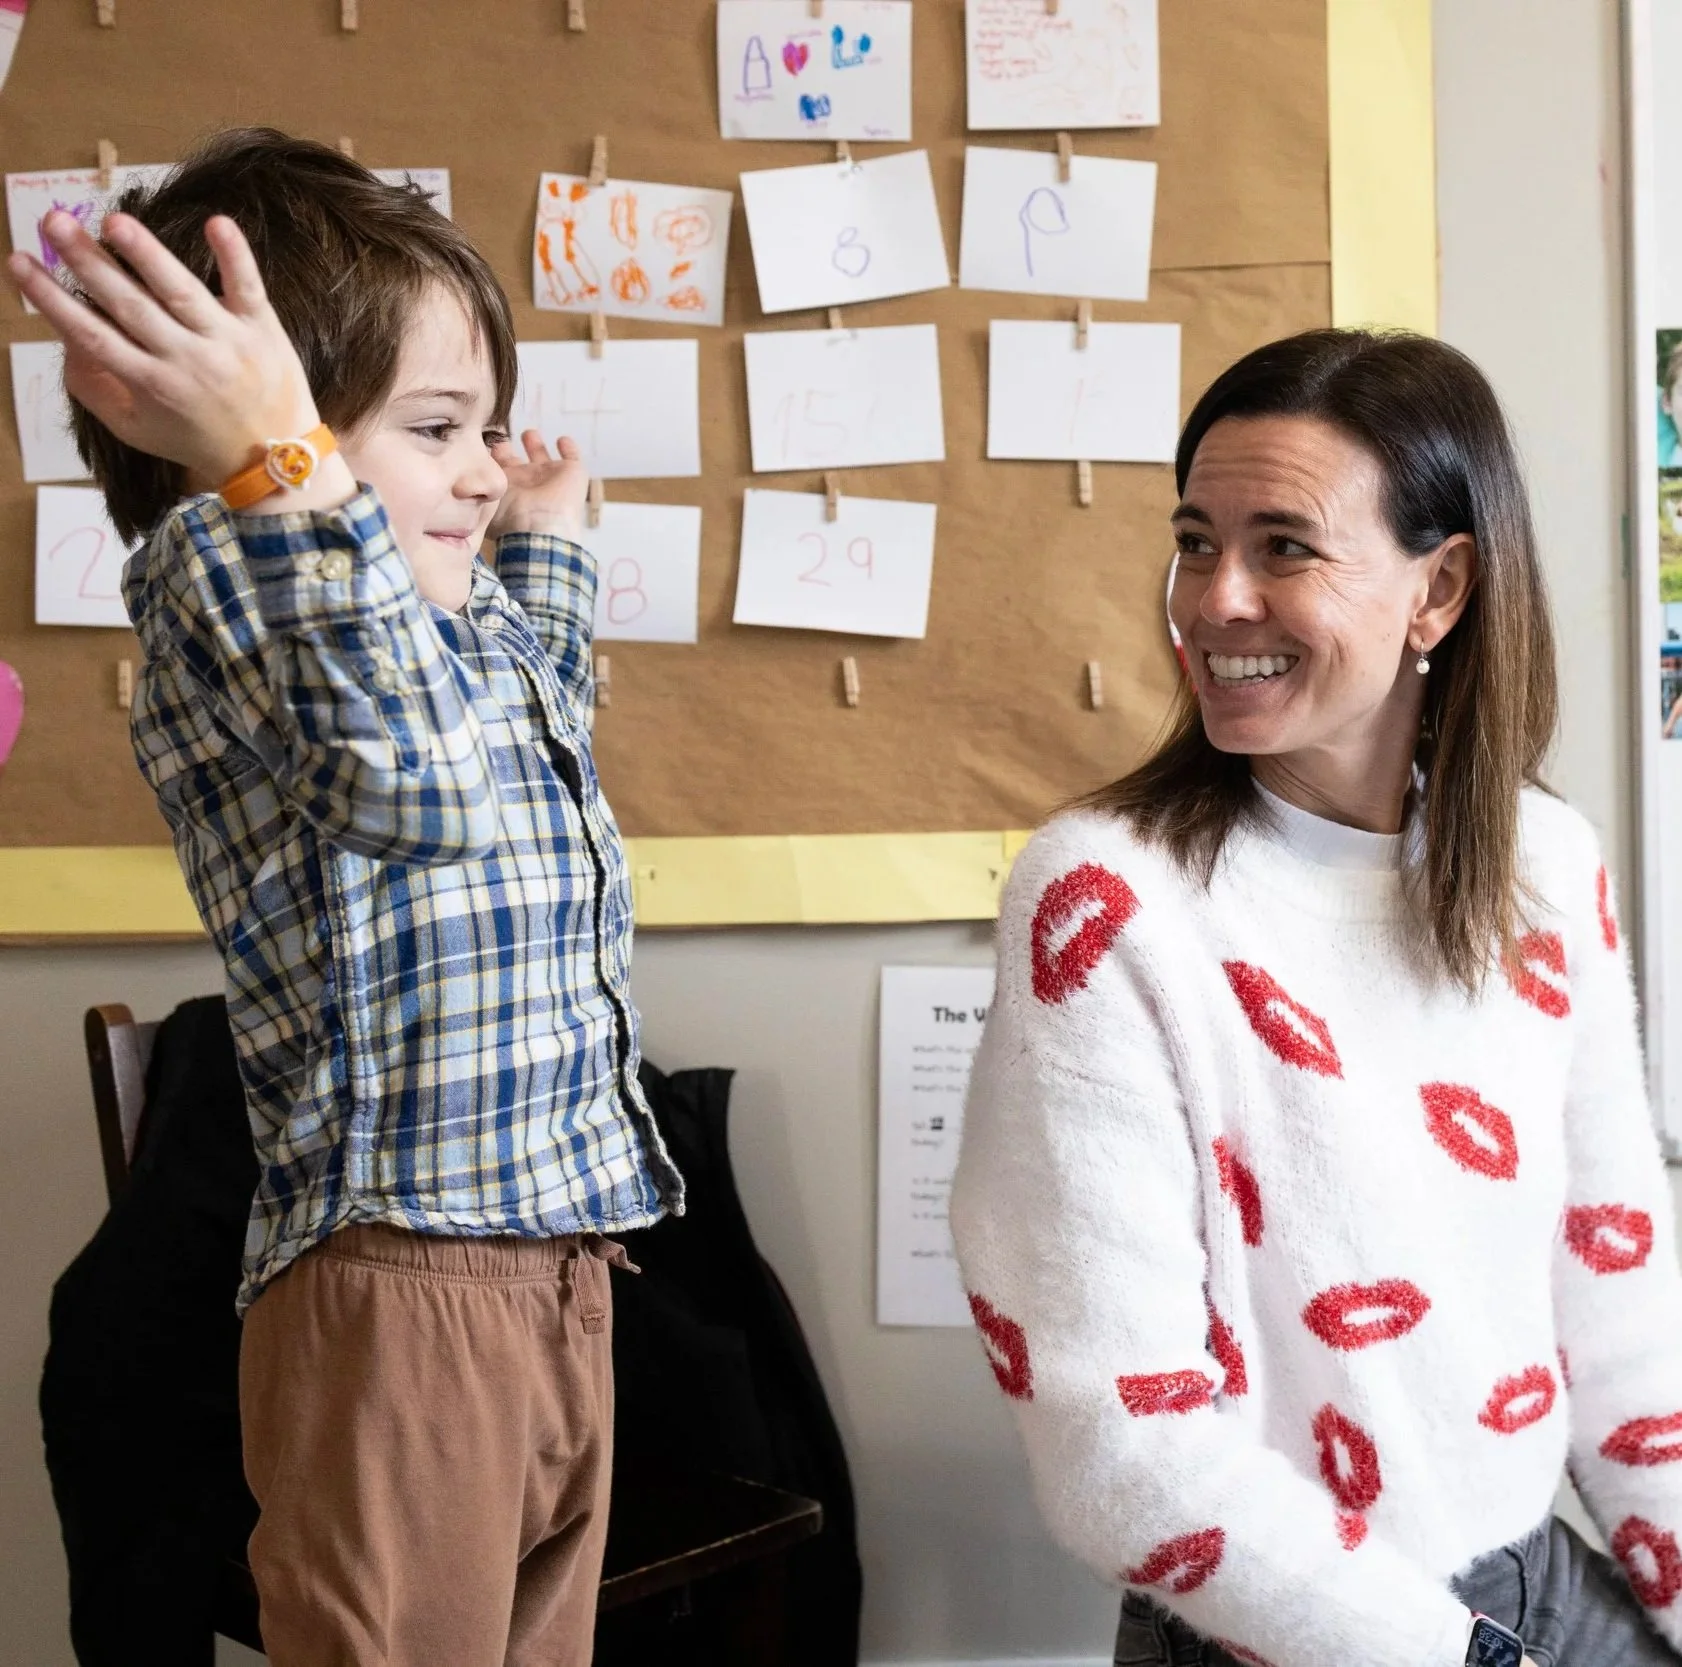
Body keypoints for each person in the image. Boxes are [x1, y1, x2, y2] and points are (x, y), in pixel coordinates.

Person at [7, 129, 683, 1667]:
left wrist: (546, 553)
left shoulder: (430, 635)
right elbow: (422, 786)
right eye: (437, 426)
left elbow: (530, 733)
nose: (475, 465)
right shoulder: (232, 577)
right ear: (251, 437)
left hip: (555, 1265)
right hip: (402, 1285)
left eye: (486, 426)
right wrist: (274, 461)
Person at [950, 328, 1682, 1667]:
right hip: (1273, 1631)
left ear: (1437, 588)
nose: (1212, 599)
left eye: (1282, 545)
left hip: (1533, 1588)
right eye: (1192, 539)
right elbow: (1120, 1437)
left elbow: (1620, 1298)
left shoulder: (1541, 865)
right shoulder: (1104, 902)